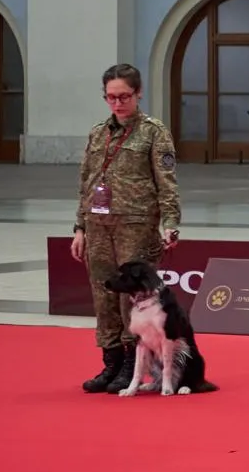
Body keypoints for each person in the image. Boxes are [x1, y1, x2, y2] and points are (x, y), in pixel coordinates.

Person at [71, 64, 180, 393]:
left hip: (137, 226)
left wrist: (170, 222)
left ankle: (134, 365)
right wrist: (80, 227)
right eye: (111, 97)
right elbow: (86, 183)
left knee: (130, 299)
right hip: (98, 226)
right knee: (103, 294)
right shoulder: (97, 133)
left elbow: (167, 183)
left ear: (138, 93)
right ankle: (111, 362)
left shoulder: (153, 132)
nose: (117, 103)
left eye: (124, 97)